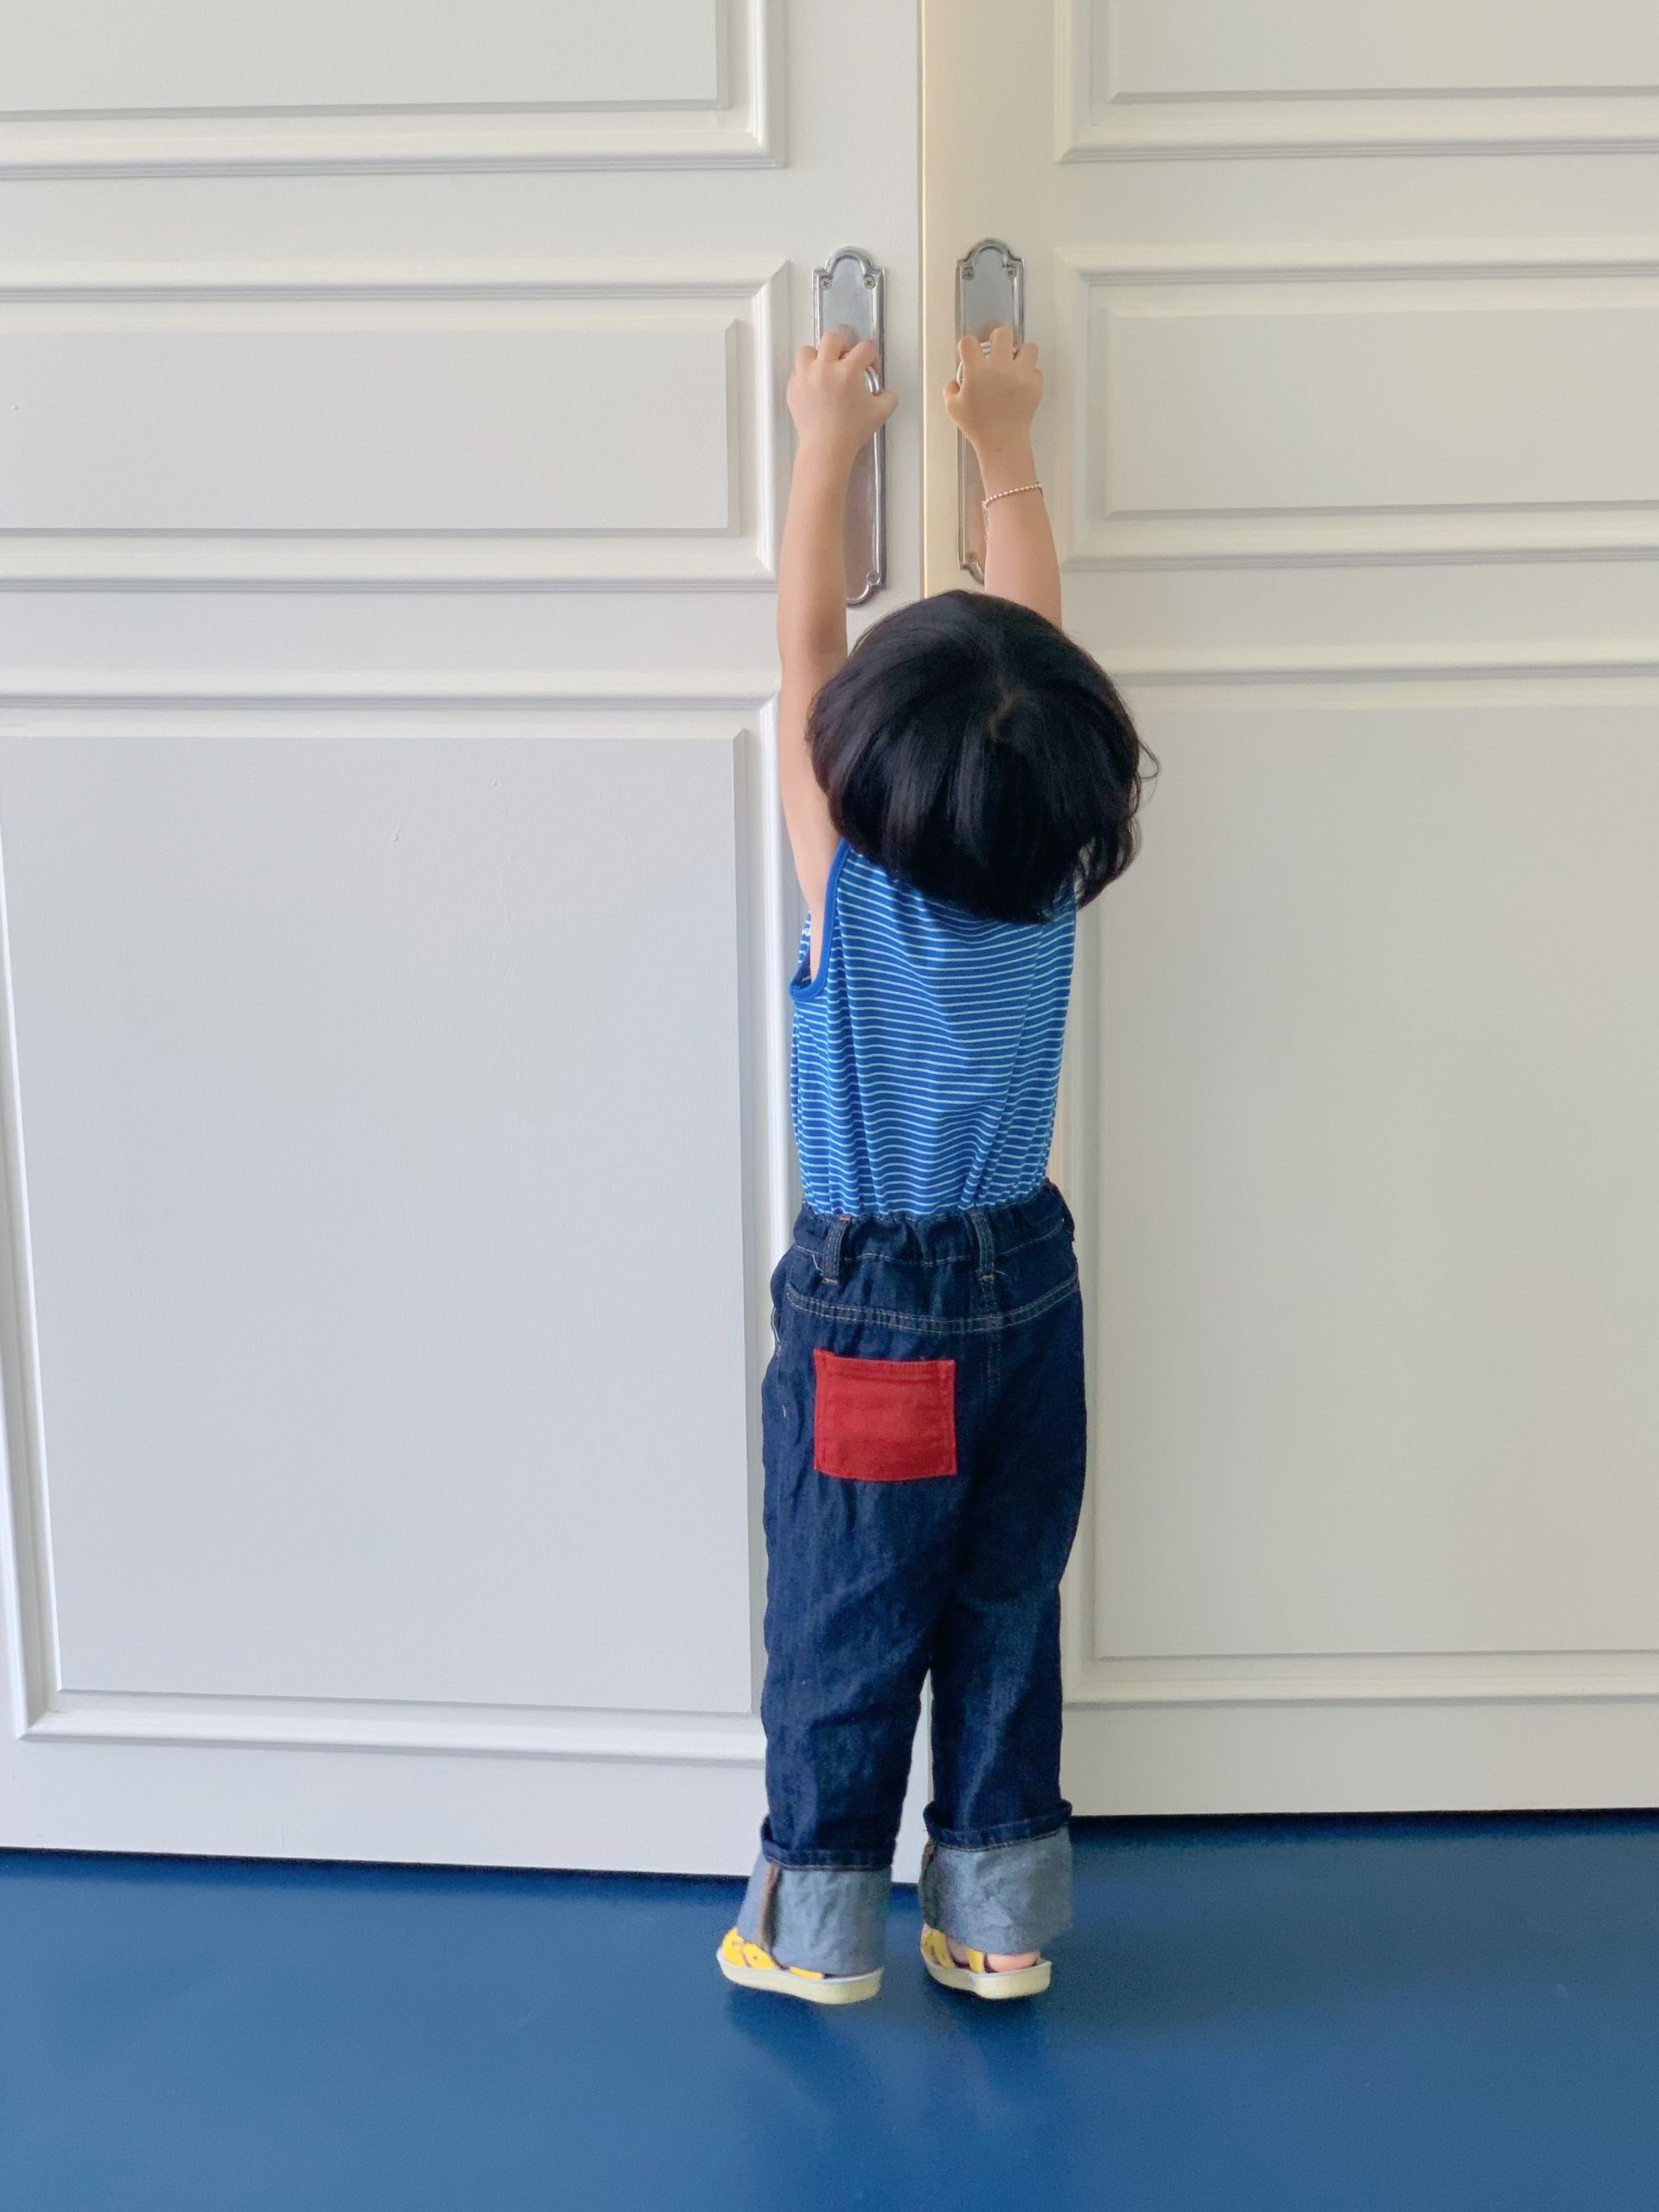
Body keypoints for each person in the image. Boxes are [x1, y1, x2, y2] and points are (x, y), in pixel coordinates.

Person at [717, 323, 1151, 2005]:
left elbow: (802, 655)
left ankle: (818, 1930)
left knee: (848, 1617)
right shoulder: (1044, 874)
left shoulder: (853, 886)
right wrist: (1007, 446)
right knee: (1003, 1610)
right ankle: (998, 1920)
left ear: (865, 764)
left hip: (878, 1316)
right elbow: (1039, 652)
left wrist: (825, 441)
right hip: (1028, 1296)